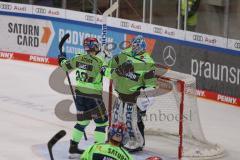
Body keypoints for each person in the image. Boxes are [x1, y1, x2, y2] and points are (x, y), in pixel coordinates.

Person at [58, 37, 108, 158]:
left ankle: (73, 148)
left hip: (80, 95)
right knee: (101, 123)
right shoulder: (100, 60)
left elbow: (65, 66)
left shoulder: (78, 57)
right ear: (95, 46)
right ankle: (98, 152)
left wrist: (62, 59)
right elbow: (107, 72)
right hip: (94, 97)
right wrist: (108, 58)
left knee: (82, 122)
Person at [108, 35, 157, 152]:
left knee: (131, 122)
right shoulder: (125, 54)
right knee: (117, 119)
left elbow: (151, 85)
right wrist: (111, 63)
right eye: (133, 45)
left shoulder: (148, 62)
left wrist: (144, 102)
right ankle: (118, 139)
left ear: (143, 47)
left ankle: (138, 143)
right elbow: (111, 65)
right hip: (120, 95)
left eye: (137, 46)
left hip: (134, 98)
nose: (134, 48)